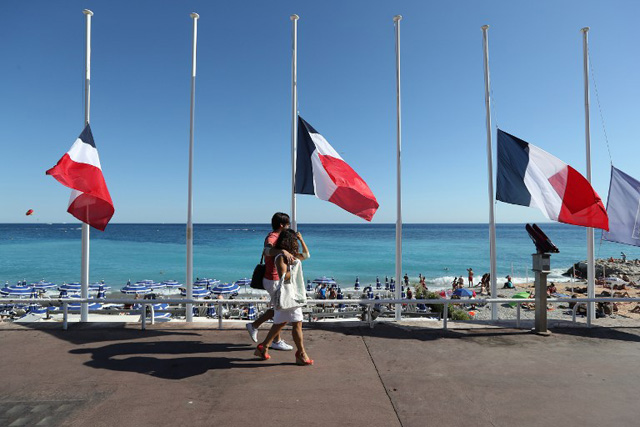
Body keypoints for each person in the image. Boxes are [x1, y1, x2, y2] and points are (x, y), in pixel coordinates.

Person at [255, 229, 313, 365]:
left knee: (280, 323)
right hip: (288, 295)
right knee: (297, 323)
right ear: (288, 241)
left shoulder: (292, 256)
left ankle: (264, 347)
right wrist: (292, 268)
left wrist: (301, 239)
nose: (295, 243)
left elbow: (307, 255)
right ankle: (301, 354)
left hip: (292, 294)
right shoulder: (281, 257)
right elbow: (283, 276)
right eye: (294, 240)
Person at [246, 212, 296, 351]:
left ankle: (259, 328)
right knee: (281, 309)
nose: (289, 226)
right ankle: (272, 338)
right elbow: (267, 250)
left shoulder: (279, 236)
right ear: (281, 225)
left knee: (278, 309)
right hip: (273, 279)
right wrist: (283, 252)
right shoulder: (272, 236)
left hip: (274, 279)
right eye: (288, 224)